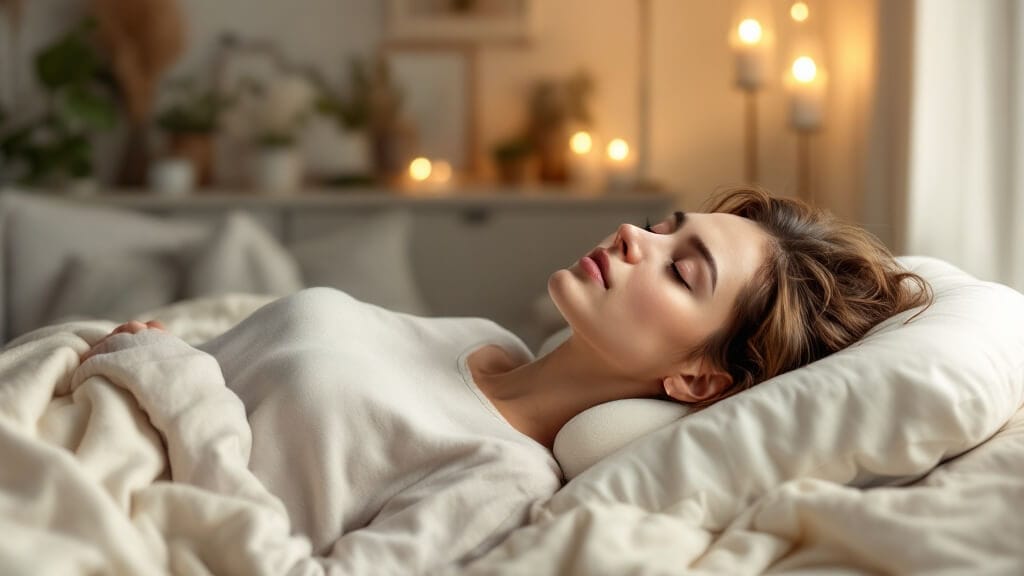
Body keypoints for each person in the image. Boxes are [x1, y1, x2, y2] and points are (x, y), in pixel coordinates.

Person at [82, 186, 932, 574]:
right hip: (95, 392)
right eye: (667, 228)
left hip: (103, 496)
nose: (638, 236)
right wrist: (170, 355)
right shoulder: (480, 339)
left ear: (701, 379)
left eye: (683, 270)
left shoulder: (501, 479)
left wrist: (177, 385)